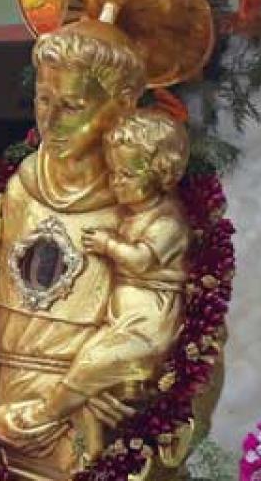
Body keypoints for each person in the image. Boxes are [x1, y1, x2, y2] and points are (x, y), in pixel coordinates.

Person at [78, 109, 190, 403]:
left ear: (159, 172)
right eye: (112, 174)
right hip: (121, 320)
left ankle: (46, 413)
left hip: (148, 322)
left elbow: (141, 260)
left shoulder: (167, 221)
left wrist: (108, 244)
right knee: (85, 357)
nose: (115, 183)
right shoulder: (128, 214)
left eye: (126, 175)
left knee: (90, 365)